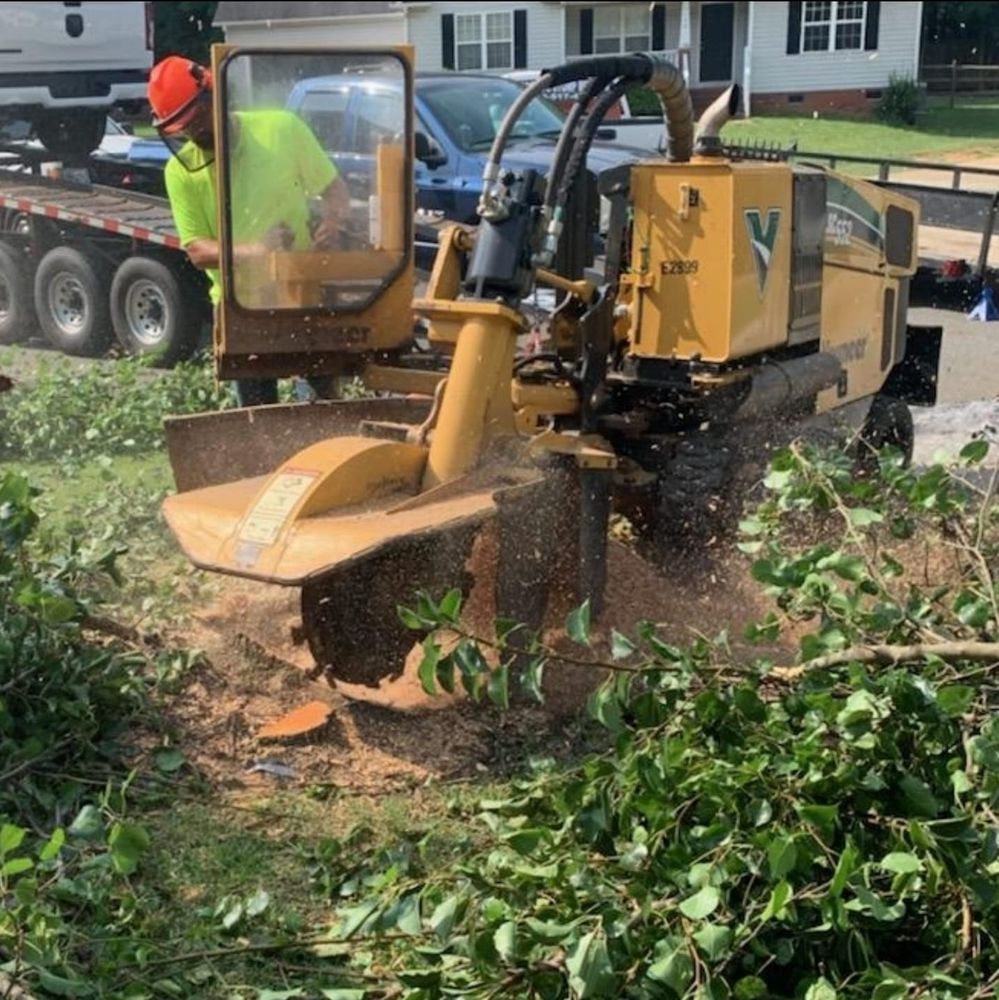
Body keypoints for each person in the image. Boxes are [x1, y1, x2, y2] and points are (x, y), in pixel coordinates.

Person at [148, 55, 349, 406]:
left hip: (304, 290)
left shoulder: (282, 129)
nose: (194, 133)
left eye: (197, 120)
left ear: (216, 96)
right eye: (182, 129)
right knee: (256, 417)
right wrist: (260, 249)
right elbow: (197, 250)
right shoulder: (180, 171)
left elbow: (335, 192)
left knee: (322, 405)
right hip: (240, 306)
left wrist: (331, 224)